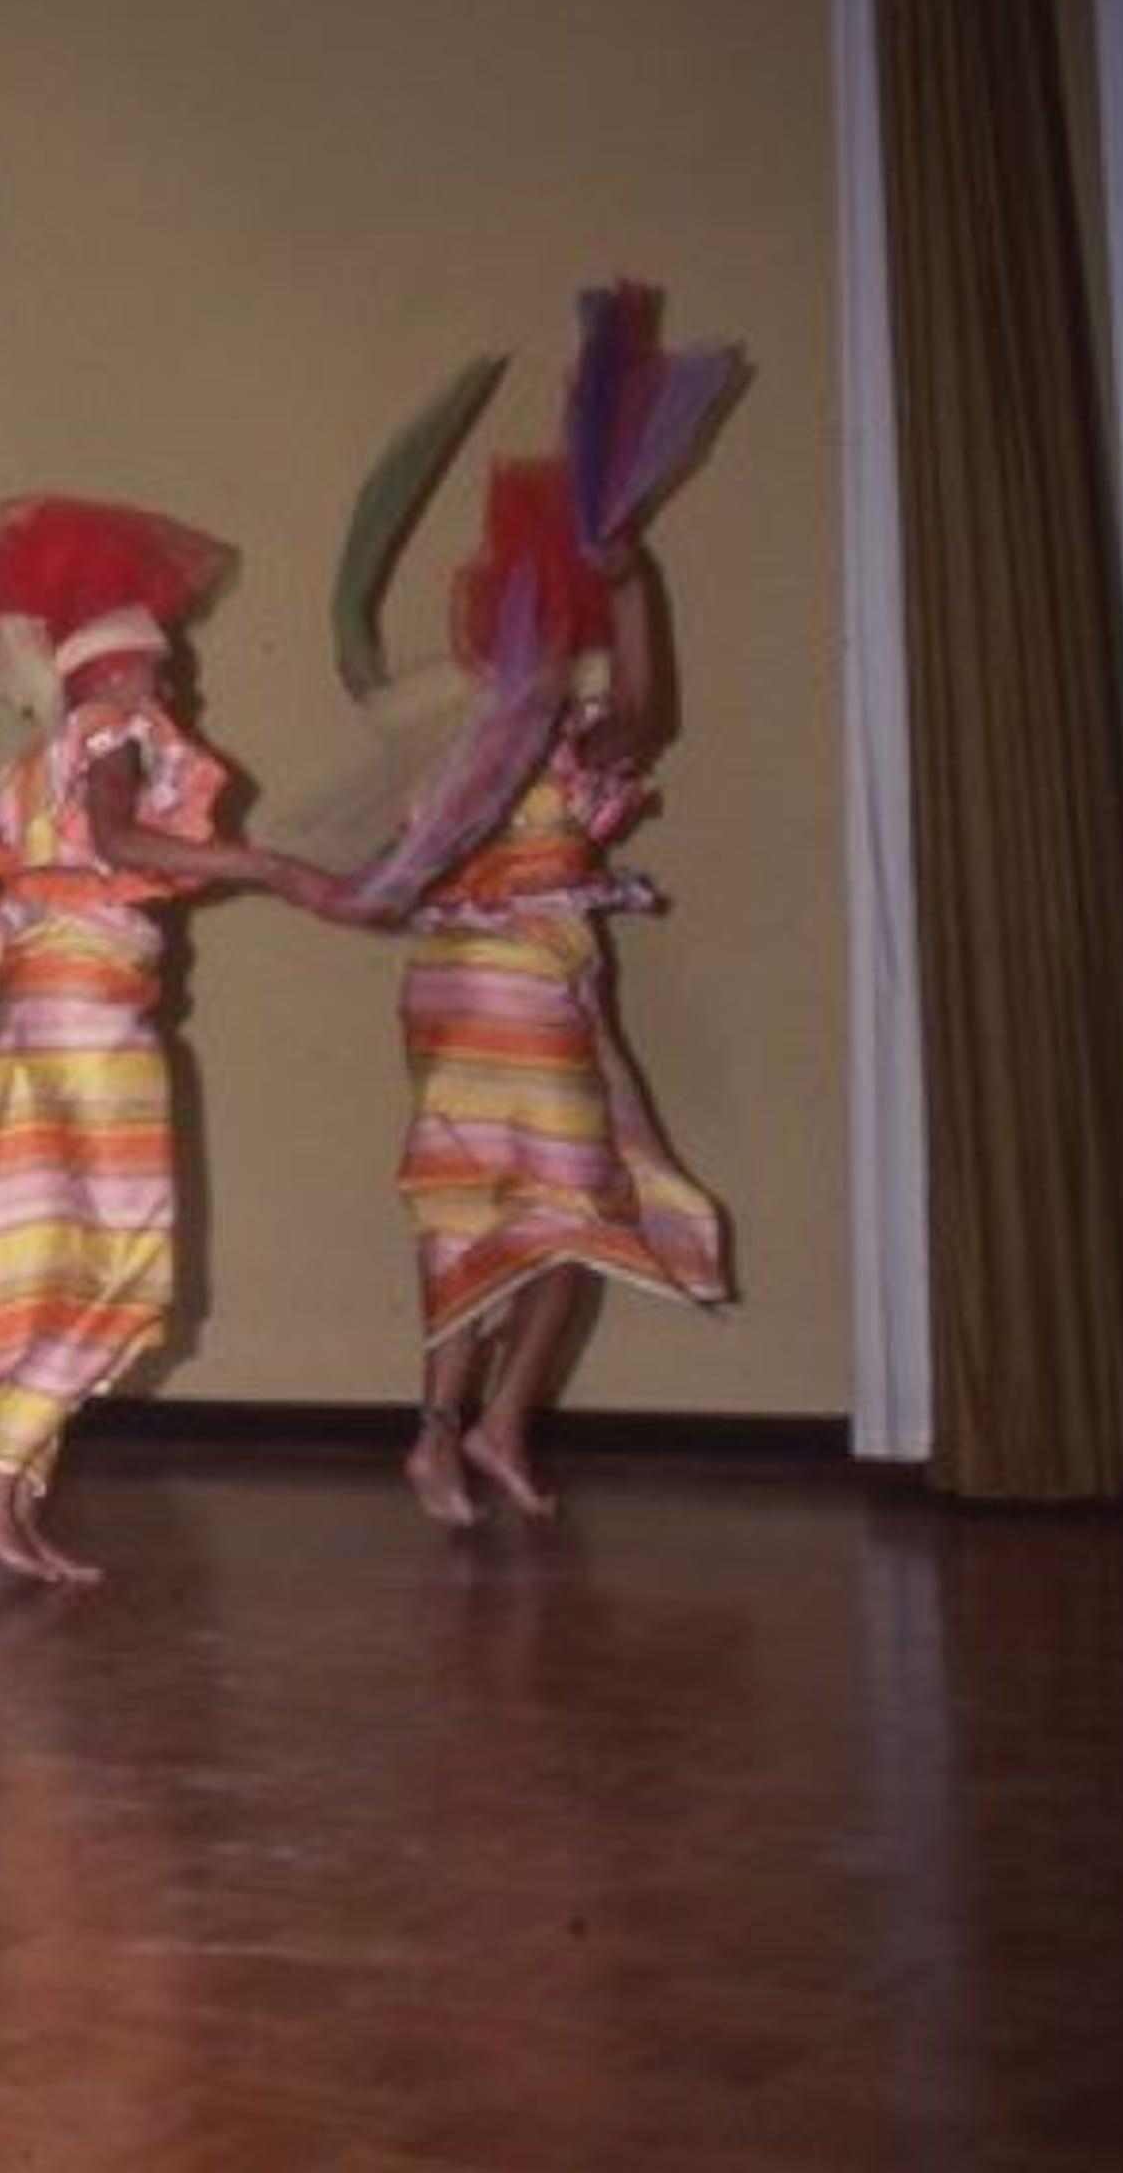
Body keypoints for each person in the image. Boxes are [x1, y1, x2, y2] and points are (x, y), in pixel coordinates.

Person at [0, 498, 354, 1588]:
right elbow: (111, 838)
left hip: (21, 1026)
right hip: (91, 1021)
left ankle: (7, 1494)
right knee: (132, 1268)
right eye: (165, 673)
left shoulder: (22, 776)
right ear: (117, 676)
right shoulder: (117, 735)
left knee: (44, 1265)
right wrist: (269, 868)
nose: (176, 692)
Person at [392, 466, 728, 1524]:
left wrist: (628, 585)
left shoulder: (466, 746)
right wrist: (635, 587)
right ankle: (485, 1426)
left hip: (452, 987)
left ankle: (452, 1432)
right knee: (573, 1213)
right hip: (519, 987)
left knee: (468, 1204)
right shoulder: (560, 735)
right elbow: (647, 708)